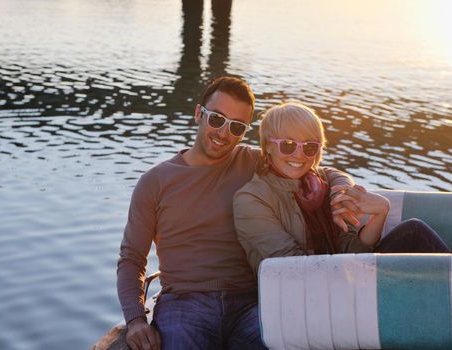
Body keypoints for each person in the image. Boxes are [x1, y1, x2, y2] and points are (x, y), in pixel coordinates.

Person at [117, 78, 356, 350]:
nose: (223, 133)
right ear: (198, 114)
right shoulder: (155, 181)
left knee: (296, 341)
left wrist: (340, 193)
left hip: (251, 301)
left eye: (236, 127)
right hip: (185, 302)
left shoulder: (255, 162)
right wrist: (136, 319)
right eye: (216, 119)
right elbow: (132, 259)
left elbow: (324, 172)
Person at [233, 102, 451, 275]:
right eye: (288, 145)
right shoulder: (251, 199)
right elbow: (293, 267)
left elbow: (353, 251)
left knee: (414, 231)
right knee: (414, 237)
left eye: (309, 147)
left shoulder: (319, 183)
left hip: (343, 279)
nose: (299, 155)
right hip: (301, 296)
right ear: (267, 145)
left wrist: (379, 213)